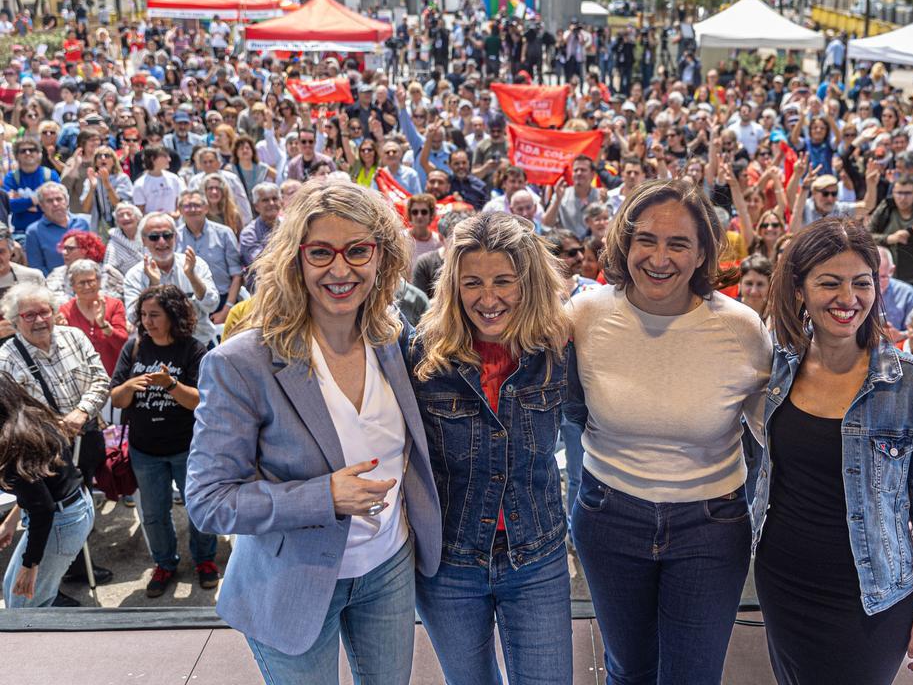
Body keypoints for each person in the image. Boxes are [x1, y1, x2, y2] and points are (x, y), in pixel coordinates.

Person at [185, 180, 442, 683]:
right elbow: (209, 501)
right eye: (321, 252)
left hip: (388, 567)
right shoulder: (241, 363)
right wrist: (322, 496)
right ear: (294, 259)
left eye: (358, 251)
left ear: (382, 257)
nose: (340, 269)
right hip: (290, 579)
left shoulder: (393, 336)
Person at [566, 179, 772, 684]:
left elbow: (778, 435)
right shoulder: (585, 315)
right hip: (607, 516)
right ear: (624, 243)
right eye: (647, 240)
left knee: (693, 677)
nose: (660, 257)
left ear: (703, 253)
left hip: (710, 525)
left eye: (678, 243)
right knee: (629, 671)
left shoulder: (742, 329)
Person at [753, 217, 913, 683]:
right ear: (800, 289)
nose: (848, 299)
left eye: (861, 283)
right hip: (782, 580)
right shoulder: (778, 368)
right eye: (829, 283)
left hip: (872, 592)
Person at [407, 212, 573, 684]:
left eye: (504, 281)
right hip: (451, 561)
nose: (488, 298)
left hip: (536, 555)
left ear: (529, 284)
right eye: (472, 282)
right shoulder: (423, 355)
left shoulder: (557, 350)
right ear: (453, 286)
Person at [110, 285, 216, 597]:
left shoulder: (194, 350)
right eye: (143, 315)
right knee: (154, 515)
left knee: (198, 507)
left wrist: (170, 384)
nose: (147, 321)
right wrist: (131, 384)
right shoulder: (134, 347)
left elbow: (200, 401)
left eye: (154, 315)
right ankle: (165, 563)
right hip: (145, 450)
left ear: (172, 315)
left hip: (188, 448)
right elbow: (116, 398)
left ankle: (205, 560)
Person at [0, 374, 95, 608]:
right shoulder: (30, 417)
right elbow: (42, 487)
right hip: (73, 509)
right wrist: (12, 521)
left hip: (62, 520)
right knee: (14, 594)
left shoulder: (10, 443)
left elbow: (43, 508)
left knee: (23, 608)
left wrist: (31, 564)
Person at [123, 212, 220, 348]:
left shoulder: (195, 264)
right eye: (154, 237)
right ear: (144, 241)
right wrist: (153, 286)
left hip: (199, 344)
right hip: (157, 349)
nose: (162, 242)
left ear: (175, 237)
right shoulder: (134, 275)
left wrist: (192, 277)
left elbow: (212, 305)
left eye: (167, 235)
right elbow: (134, 318)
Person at [176, 188, 243, 325]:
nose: (192, 209)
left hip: (223, 301)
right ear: (180, 210)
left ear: (206, 208)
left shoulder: (224, 233)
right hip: (187, 305)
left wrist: (226, 311)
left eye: (197, 205)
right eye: (187, 206)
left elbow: (237, 275)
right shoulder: (173, 237)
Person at [58, 259, 129, 375]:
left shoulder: (114, 305)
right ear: (73, 286)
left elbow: (123, 344)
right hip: (83, 377)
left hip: (116, 375)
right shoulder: (65, 311)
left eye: (91, 281)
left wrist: (103, 325)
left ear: (99, 281)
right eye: (81, 283)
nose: (87, 286)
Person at [24, 182, 90, 275]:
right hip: (54, 285)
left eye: (59, 199)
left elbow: (91, 256)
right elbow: (37, 269)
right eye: (49, 201)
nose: (55, 204)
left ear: (66, 201)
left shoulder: (82, 223)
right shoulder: (34, 232)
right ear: (42, 206)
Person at [878, 246, 913, 340]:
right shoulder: (856, 291)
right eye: (872, 277)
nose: (877, 283)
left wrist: (900, 335)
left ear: (891, 271)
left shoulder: (907, 294)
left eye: (883, 277)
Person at [239, 182, 283, 270]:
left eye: (275, 199)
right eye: (265, 200)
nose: (271, 203)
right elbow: (259, 263)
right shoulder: (249, 233)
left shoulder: (290, 226)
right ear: (256, 206)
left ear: (281, 202)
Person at [103, 202, 146, 275]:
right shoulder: (114, 244)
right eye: (121, 215)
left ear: (137, 218)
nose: (125, 218)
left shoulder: (149, 236)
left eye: (129, 214)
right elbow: (108, 270)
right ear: (117, 222)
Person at [737, 253, 772, 318]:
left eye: (760, 284)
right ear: (740, 284)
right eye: (749, 283)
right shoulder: (728, 310)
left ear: (769, 286)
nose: (754, 291)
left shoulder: (777, 315)